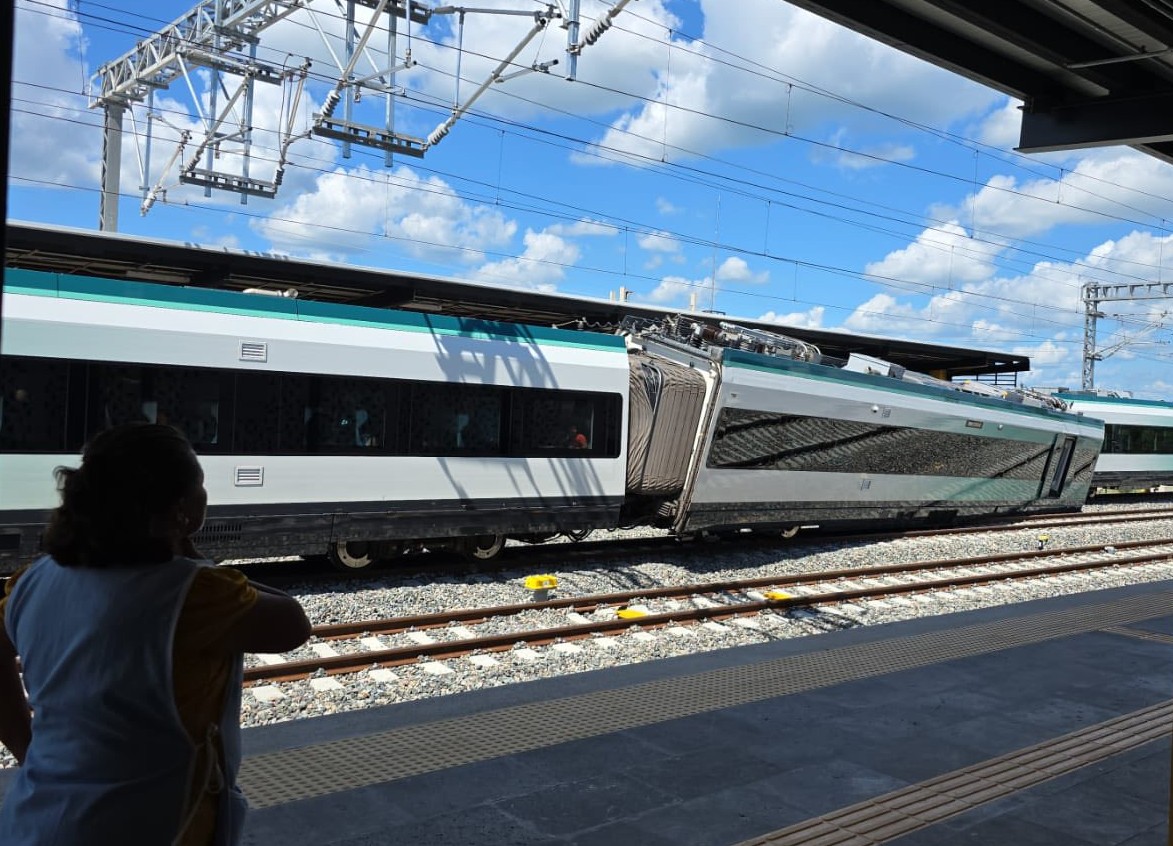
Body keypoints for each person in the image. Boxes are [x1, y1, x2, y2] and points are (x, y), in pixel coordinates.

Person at [0, 423, 312, 845]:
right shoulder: (196, 594)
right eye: (199, 482)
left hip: (35, 820)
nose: (206, 492)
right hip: (153, 825)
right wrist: (190, 551)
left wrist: (27, 748)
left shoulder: (30, 582)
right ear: (179, 507)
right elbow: (294, 623)